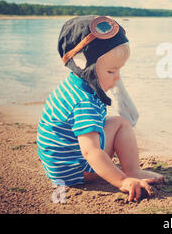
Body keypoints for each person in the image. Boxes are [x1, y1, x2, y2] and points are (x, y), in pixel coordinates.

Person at [37, 15, 163, 202]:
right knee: (121, 125)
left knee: (116, 122)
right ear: (86, 67)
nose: (117, 78)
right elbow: (91, 152)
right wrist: (122, 181)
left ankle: (130, 169)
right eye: (111, 71)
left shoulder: (74, 84)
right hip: (75, 170)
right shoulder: (84, 102)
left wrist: (110, 75)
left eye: (119, 70)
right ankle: (132, 171)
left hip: (58, 165)